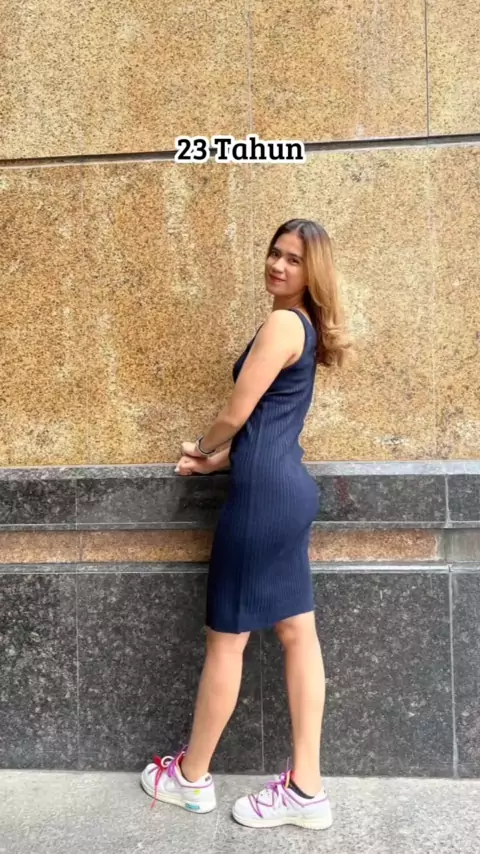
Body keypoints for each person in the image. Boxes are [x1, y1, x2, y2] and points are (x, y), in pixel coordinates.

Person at [140, 218, 353, 830]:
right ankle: (307, 790)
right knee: (298, 634)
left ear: (313, 271)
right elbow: (267, 425)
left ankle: (190, 779)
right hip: (286, 492)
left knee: (227, 640)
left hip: (262, 501)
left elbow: (239, 411)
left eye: (293, 259)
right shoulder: (302, 326)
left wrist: (205, 448)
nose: (278, 265)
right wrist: (222, 460)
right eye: (274, 253)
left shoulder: (284, 324)